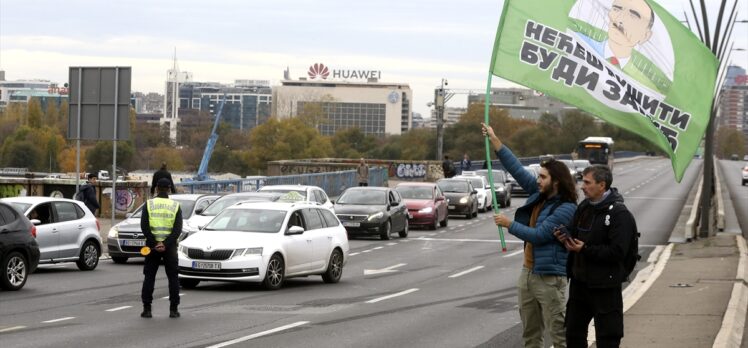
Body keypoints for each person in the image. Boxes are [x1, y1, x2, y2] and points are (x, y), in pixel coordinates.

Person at [482, 122, 577, 348]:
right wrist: (494, 139)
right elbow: (515, 168)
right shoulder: (539, 193)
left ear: (555, 181)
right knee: (530, 333)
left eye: (542, 177)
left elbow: (540, 235)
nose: (537, 180)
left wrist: (508, 224)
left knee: (558, 333)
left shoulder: (566, 208)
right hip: (528, 273)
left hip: (549, 278)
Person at [554, 165, 637, 348]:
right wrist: (564, 237)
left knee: (607, 338)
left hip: (605, 287)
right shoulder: (584, 207)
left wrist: (585, 249)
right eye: (582, 181)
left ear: (602, 185)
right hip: (580, 284)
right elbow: (575, 233)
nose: (582, 186)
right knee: (573, 334)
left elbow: (618, 252)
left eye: (587, 182)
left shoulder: (619, 214)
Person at [572, 0, 671, 94]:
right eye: (616, 9)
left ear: (645, 36)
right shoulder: (574, 40)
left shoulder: (646, 86)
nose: (620, 19)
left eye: (633, 16)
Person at [140, 178, 183, 319]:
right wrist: (165, 244)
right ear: (169, 189)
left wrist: (155, 243)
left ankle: (147, 309)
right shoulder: (176, 206)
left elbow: (144, 227)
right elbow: (177, 230)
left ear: (157, 188)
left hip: (152, 247)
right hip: (170, 248)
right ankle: (173, 310)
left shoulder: (149, 204)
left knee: (149, 277)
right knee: (173, 278)